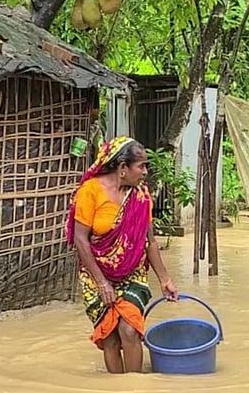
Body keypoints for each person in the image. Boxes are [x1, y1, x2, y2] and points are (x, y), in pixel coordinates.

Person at [66, 136, 178, 373]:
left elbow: (149, 241)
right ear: (123, 168)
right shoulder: (90, 191)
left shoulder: (141, 196)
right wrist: (102, 283)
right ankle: (117, 390)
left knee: (129, 330)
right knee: (110, 337)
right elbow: (80, 239)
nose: (145, 172)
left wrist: (165, 279)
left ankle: (135, 387)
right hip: (96, 274)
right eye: (141, 166)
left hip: (132, 272)